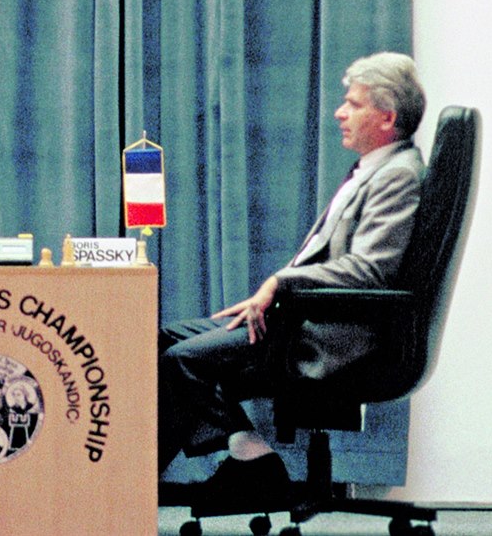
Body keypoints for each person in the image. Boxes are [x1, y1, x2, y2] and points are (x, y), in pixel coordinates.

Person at [158, 52, 427, 505]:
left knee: (181, 361)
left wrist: (281, 283)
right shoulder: (374, 168)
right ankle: (151, 480)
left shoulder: (397, 176)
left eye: (353, 104)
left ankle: (253, 460)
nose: (339, 113)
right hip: (299, 320)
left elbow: (370, 270)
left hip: (327, 334)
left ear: (387, 118)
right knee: (163, 340)